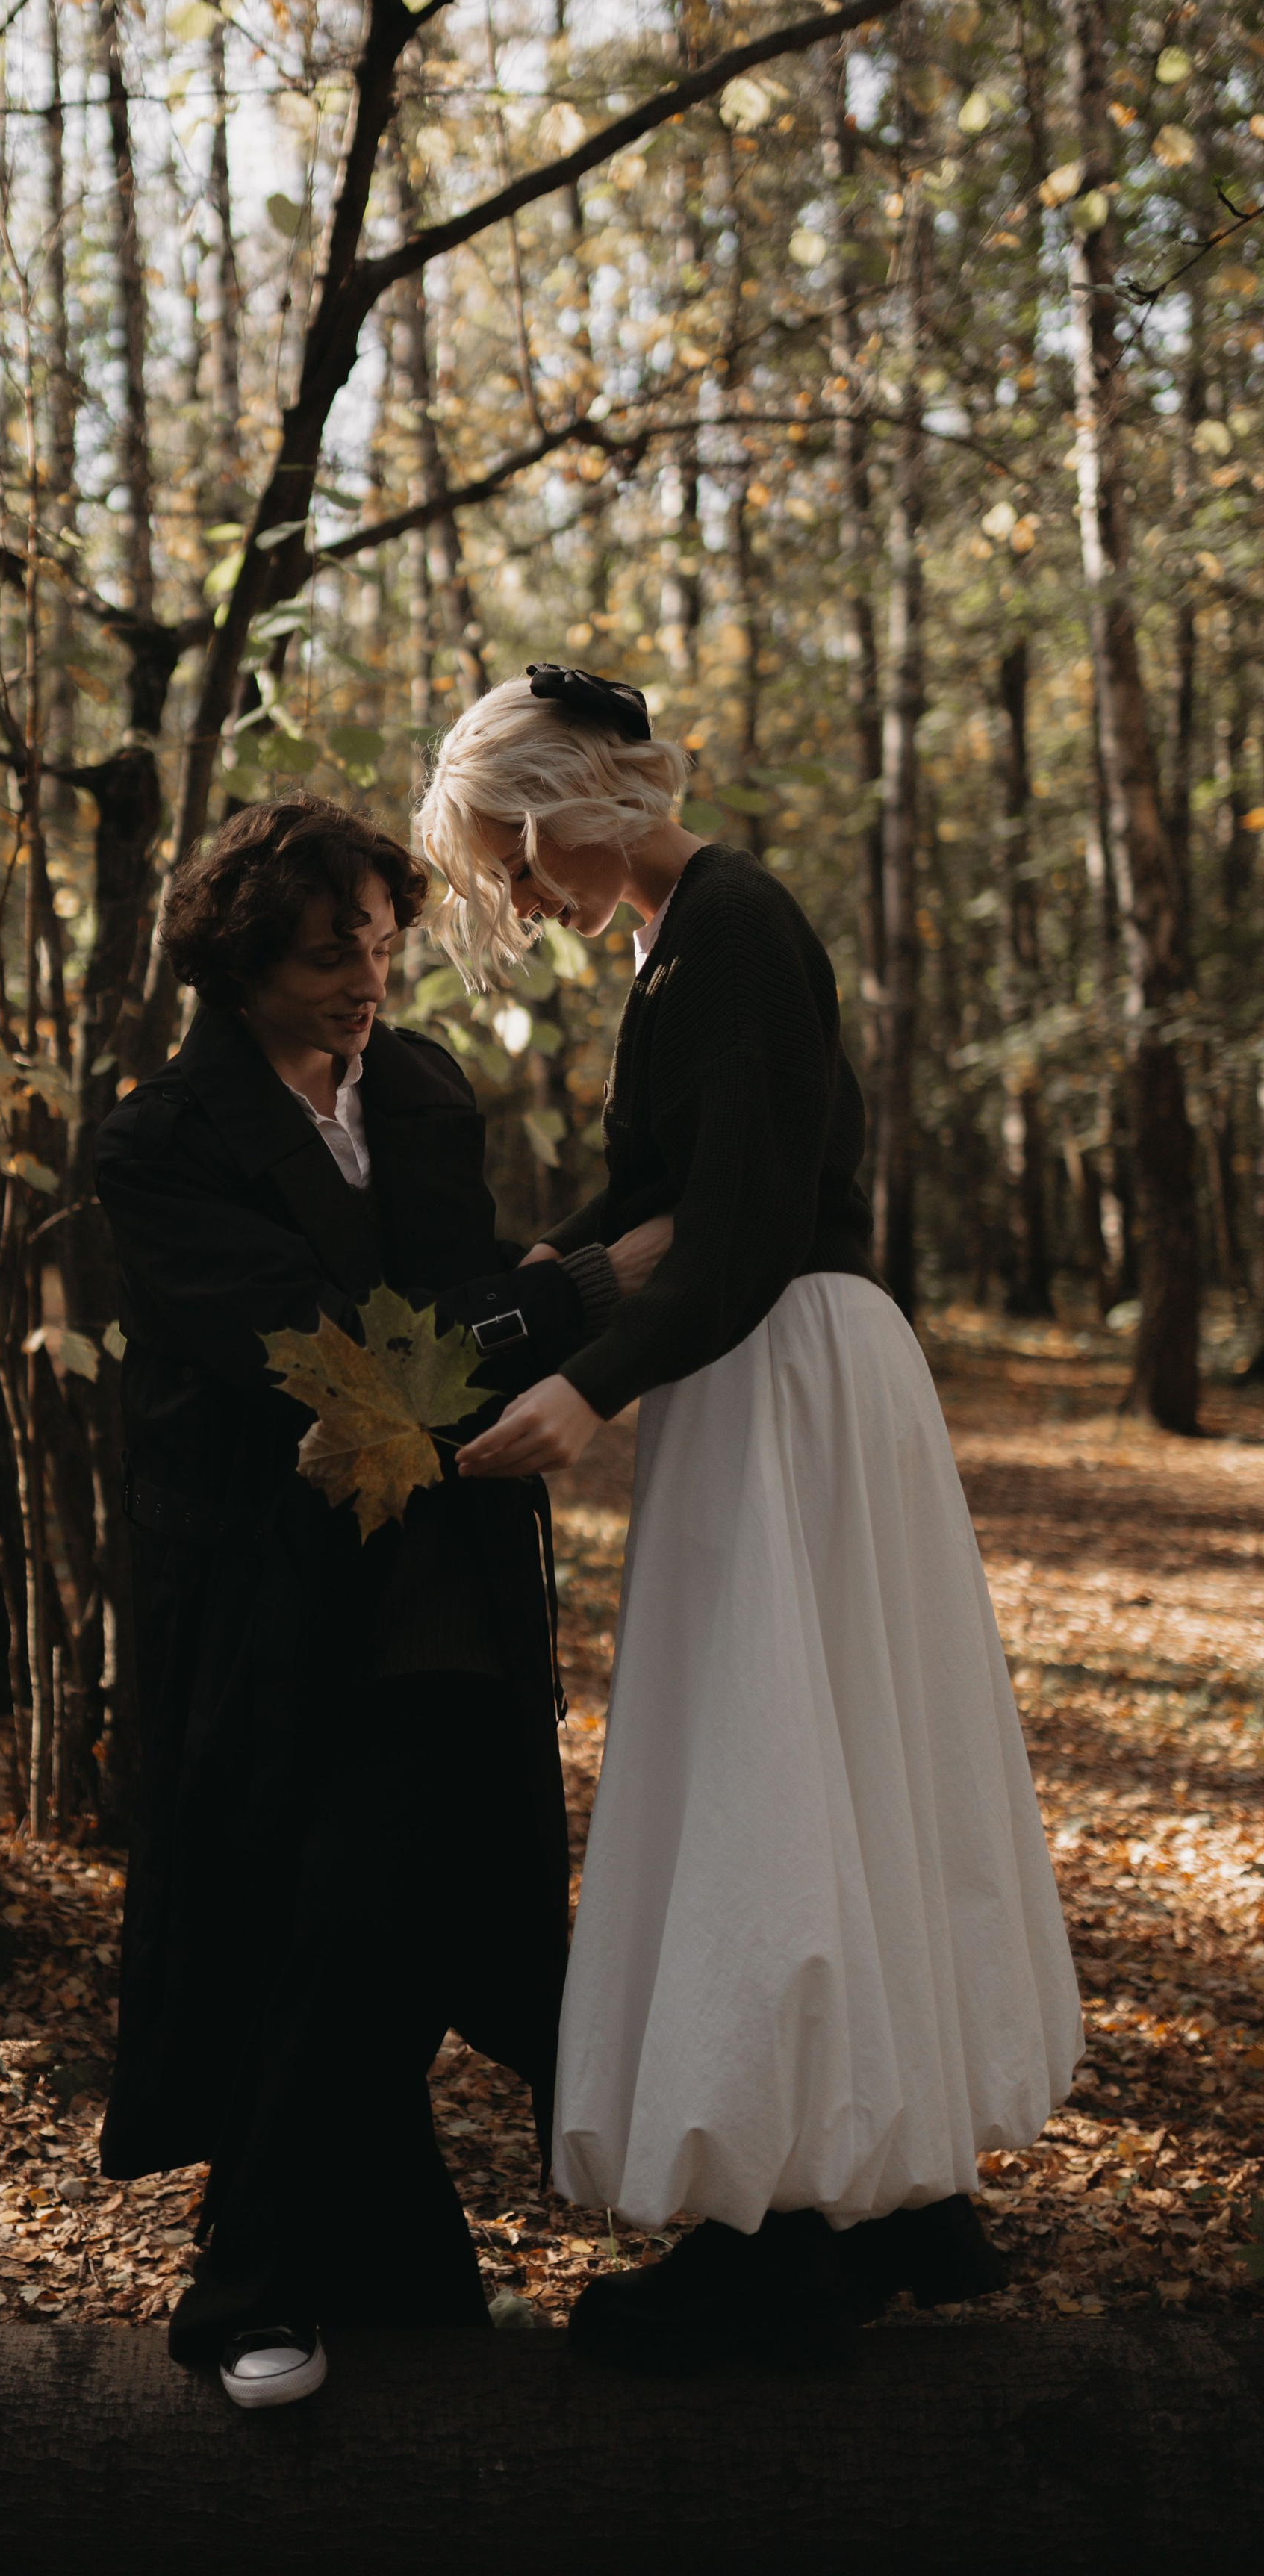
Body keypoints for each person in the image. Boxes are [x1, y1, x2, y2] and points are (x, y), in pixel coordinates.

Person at [415, 666, 1083, 2371]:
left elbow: (739, 1223)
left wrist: (588, 1387)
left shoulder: (731, 926)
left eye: (518, 854)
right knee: (829, 1759)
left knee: (770, 1768)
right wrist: (537, 1293)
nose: (520, 895)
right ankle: (898, 2205)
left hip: (778, 1363)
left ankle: (776, 2240)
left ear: (575, 804)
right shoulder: (684, 938)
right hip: (773, 1366)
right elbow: (661, 1206)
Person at [93, 796, 650, 2409]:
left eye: (380, 939)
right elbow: (341, 1377)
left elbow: (433, 1334)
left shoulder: (415, 1086)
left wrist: (493, 1321)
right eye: (327, 946)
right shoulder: (163, 1142)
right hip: (283, 1608)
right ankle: (250, 2290)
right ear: (238, 955)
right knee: (344, 1916)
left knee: (451, 1935)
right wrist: (571, 1288)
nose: (364, 973)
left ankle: (771, 2218)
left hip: (456, 1576)